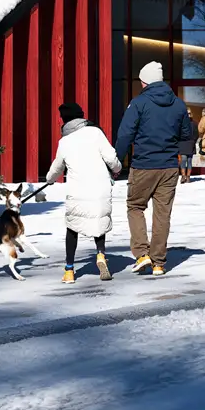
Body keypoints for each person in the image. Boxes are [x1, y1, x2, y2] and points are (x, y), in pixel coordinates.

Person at [115, 61, 197, 275]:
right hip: (169, 167)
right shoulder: (179, 104)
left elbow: (125, 134)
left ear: (145, 82)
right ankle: (159, 262)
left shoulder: (138, 103)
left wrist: (117, 162)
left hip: (144, 164)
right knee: (163, 214)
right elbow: (186, 135)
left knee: (135, 206)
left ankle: (142, 254)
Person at [45, 100, 120, 282]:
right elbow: (111, 157)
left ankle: (69, 270)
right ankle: (101, 255)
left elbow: (57, 167)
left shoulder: (64, 141)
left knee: (73, 228)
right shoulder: (95, 133)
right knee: (99, 223)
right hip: (99, 188)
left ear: (64, 119)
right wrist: (117, 169)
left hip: (77, 191)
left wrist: (49, 180)